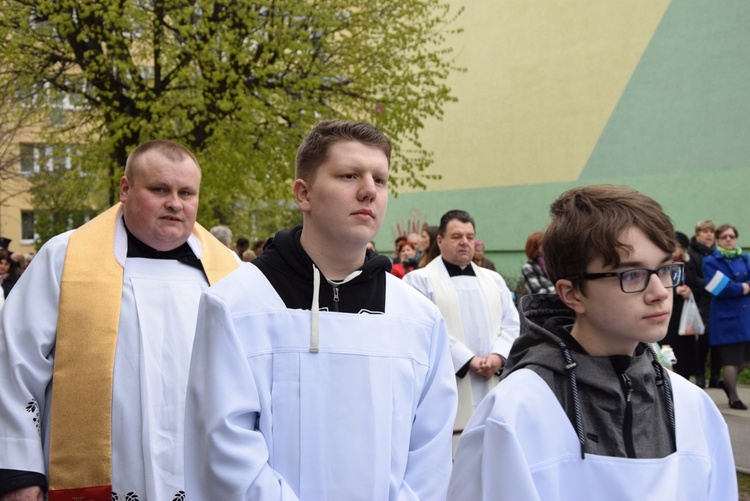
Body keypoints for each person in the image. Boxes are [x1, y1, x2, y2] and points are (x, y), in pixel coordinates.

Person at [184, 120, 457, 499]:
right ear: (304, 194)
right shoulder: (237, 305)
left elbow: (430, 454)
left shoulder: (418, 318)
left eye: (379, 180)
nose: (368, 191)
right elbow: (224, 448)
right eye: (349, 176)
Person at [448, 185, 736, 500]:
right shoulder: (516, 413)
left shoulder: (693, 408)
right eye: (633, 275)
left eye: (666, 269)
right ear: (572, 293)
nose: (660, 292)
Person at [0, 140, 239, 500]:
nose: (175, 203)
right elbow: (15, 364)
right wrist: (19, 473)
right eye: (159, 190)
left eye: (186, 192)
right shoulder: (65, 259)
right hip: (97, 475)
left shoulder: (229, 273)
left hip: (203, 478)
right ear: (125, 189)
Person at [404, 210, 520, 444]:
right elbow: (424, 330)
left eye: (469, 236)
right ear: (440, 241)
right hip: (448, 383)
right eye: (457, 236)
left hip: (493, 379)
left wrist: (498, 355)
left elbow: (511, 322)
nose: (465, 242)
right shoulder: (419, 281)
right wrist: (467, 360)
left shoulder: (493, 280)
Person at [703, 224, 750, 410]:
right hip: (726, 316)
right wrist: (742, 287)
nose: (728, 239)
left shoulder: (744, 257)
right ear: (717, 240)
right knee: (731, 359)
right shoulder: (711, 260)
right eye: (724, 237)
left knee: (745, 359)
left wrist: (738, 285)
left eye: (732, 236)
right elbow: (717, 288)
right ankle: (734, 397)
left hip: (746, 315)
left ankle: (726, 382)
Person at [663, 232, 701, 381]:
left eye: (677, 246)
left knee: (685, 353)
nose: (674, 249)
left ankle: (684, 379)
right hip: (670, 315)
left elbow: (701, 289)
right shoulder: (664, 265)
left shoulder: (689, 265)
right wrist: (675, 290)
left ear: (684, 249)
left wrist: (690, 291)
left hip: (685, 319)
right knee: (668, 349)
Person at [688, 219, 721, 388]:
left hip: (718, 300)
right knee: (703, 339)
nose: (709, 235)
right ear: (697, 234)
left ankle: (715, 376)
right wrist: (711, 285)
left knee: (718, 340)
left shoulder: (718, 252)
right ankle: (699, 375)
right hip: (701, 300)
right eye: (705, 231)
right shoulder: (691, 252)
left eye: (711, 232)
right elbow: (693, 278)